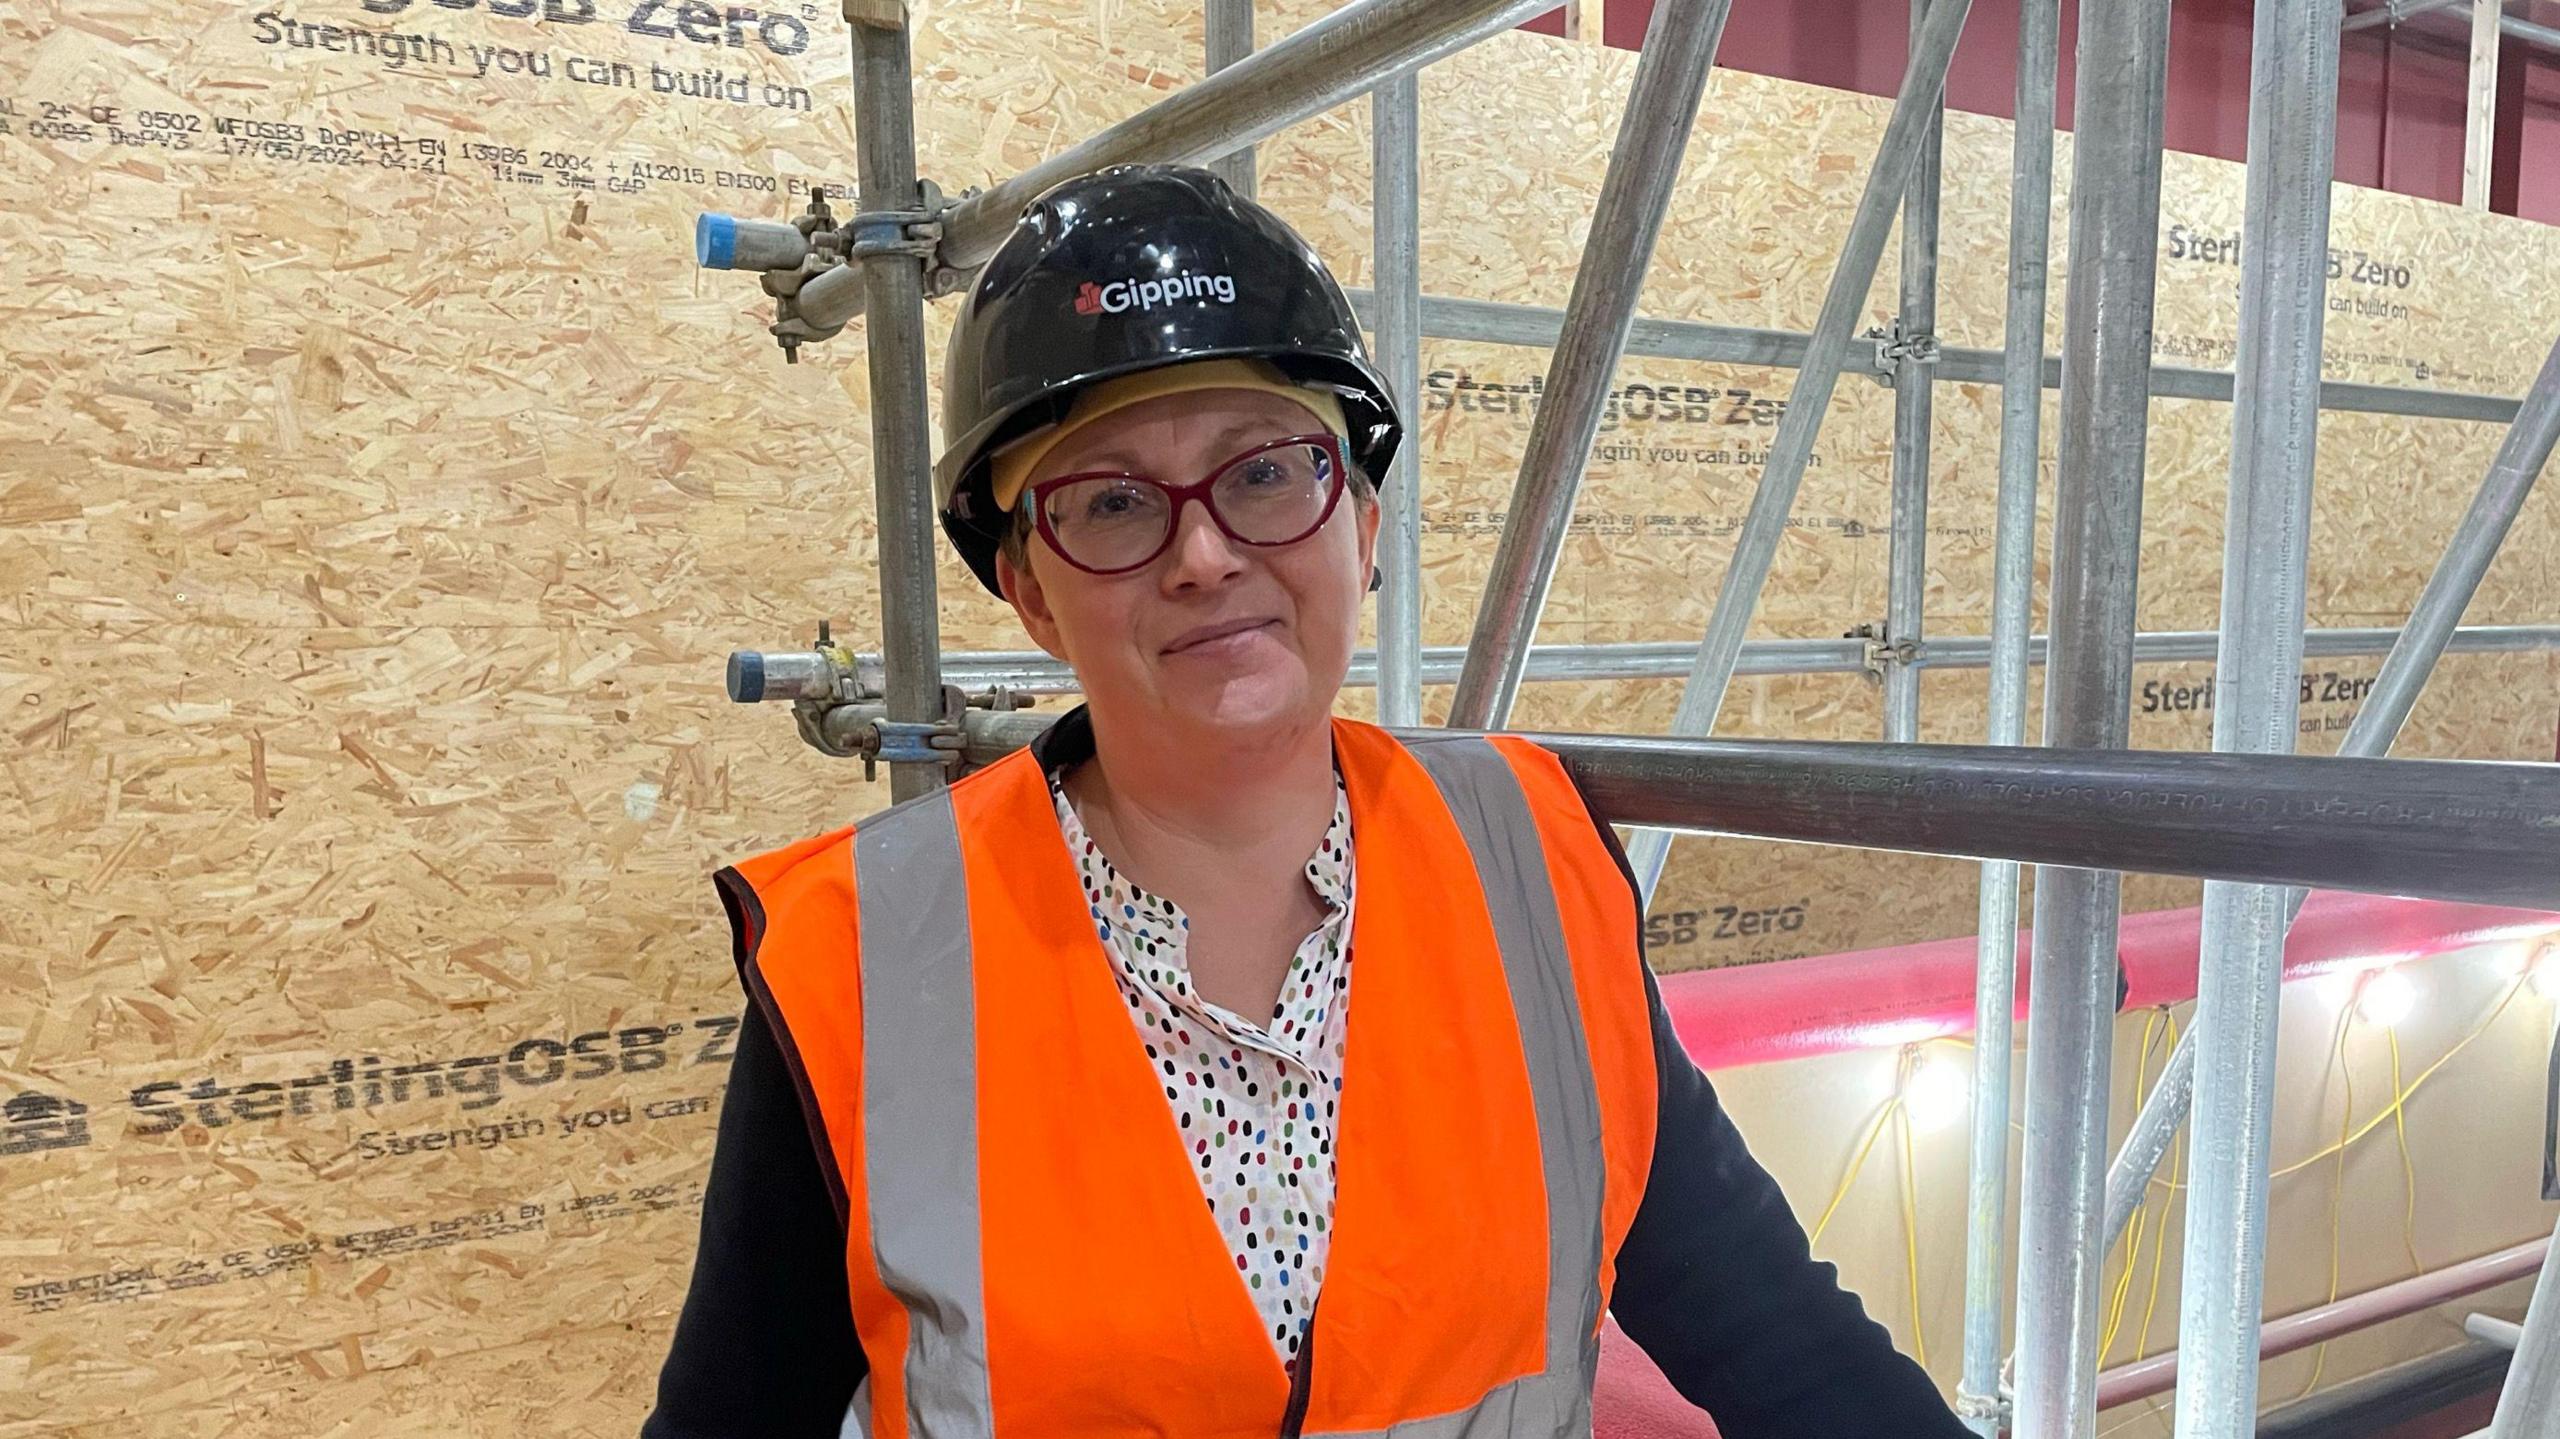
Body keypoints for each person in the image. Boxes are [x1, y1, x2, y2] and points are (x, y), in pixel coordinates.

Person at [645, 164, 1967, 1439]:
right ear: (1032, 592)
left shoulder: (1532, 859)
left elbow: (1774, 1335)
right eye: (1112, 504)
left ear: (1367, 524)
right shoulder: (867, 953)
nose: (1208, 555)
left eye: (1268, 472)